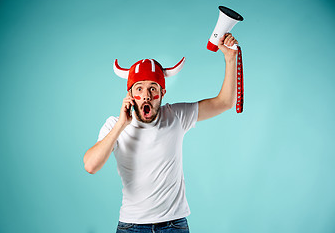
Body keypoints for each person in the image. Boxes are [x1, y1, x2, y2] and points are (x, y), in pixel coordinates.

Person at [83, 33, 239, 233]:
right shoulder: (114, 125)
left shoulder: (176, 115)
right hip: (131, 226)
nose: (146, 96)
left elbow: (225, 102)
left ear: (162, 92)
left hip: (174, 225)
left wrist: (230, 58)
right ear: (129, 94)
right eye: (139, 88)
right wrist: (122, 125)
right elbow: (90, 166)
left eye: (152, 88)